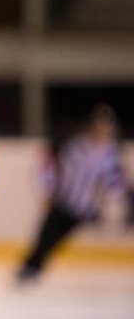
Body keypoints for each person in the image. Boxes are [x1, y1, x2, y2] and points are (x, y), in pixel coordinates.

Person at [17, 102, 128, 284]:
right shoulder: (75, 145)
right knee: (46, 236)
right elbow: (52, 167)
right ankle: (31, 268)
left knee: (55, 239)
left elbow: (114, 180)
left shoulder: (110, 153)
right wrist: (49, 190)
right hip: (63, 202)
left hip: (85, 208)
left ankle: (32, 268)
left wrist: (112, 199)